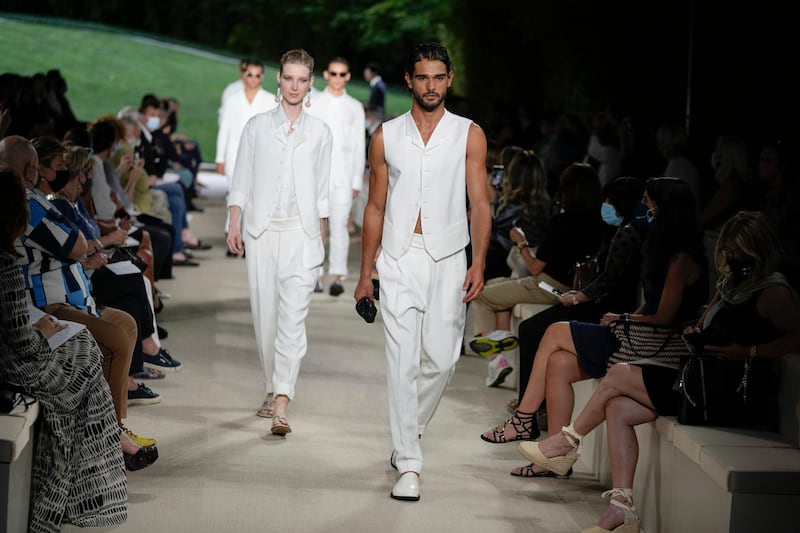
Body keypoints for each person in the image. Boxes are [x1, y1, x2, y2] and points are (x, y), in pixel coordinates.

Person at [521, 210, 800, 532]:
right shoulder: (731, 286)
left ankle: (567, 442)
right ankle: (621, 510)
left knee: (619, 375)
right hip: (703, 380)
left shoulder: (772, 291)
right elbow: (702, 322)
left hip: (732, 392)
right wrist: (696, 331)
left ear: (758, 250)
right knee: (618, 407)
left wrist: (747, 352)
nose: (731, 257)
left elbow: (796, 337)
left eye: (738, 251)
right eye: (727, 251)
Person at [482, 177, 706, 479]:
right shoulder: (664, 248)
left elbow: (665, 316)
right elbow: (651, 304)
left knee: (554, 332)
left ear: (666, 207)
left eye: (650, 203)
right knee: (559, 363)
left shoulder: (681, 257)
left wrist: (624, 320)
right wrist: (627, 317)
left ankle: (524, 418)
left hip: (652, 344)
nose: (646, 208)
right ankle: (555, 457)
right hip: (637, 334)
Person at [354, 42, 491, 502]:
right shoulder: (386, 136)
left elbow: (481, 204)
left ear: (449, 79)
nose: (430, 85)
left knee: (442, 359)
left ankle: (407, 434)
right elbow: (375, 206)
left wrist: (479, 260)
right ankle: (409, 462)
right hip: (397, 256)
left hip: (450, 255)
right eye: (422, 77)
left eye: (438, 77)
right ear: (408, 81)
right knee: (402, 360)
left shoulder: (469, 134)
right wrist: (364, 272)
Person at [0, 167, 130, 531]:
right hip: (14, 364)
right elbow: (21, 341)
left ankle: (75, 488)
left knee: (84, 353)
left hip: (11, 355)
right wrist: (42, 330)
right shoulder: (6, 263)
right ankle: (77, 491)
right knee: (86, 357)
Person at [226, 49, 332, 436]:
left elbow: (322, 192)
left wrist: (321, 241)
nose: (295, 86)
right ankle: (271, 386)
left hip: (302, 236)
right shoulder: (256, 127)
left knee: (293, 319)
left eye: (302, 80)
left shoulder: (321, 131)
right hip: (262, 233)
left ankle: (283, 400)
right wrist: (234, 222)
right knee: (265, 317)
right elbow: (240, 179)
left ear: (311, 83)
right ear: (279, 79)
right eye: (289, 78)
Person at [507, 177, 646, 416]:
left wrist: (577, 298)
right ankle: (532, 409)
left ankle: (529, 409)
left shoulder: (627, 233)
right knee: (537, 331)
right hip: (605, 304)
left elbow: (609, 279)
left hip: (604, 308)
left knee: (531, 330)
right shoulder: (623, 229)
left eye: (609, 200)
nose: (605, 205)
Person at [307, 56, 366, 295]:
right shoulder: (314, 101)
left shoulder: (354, 107)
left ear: (348, 76)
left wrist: (355, 180)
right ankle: (315, 274)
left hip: (343, 175)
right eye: (334, 73)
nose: (338, 78)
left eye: (342, 74)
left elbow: (359, 145)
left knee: (340, 226)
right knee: (315, 226)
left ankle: (337, 276)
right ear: (326, 74)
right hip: (316, 174)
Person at [215, 59, 277, 257]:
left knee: (254, 198)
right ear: (243, 75)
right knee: (235, 196)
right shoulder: (232, 100)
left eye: (257, 75)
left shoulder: (269, 100)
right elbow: (224, 129)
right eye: (249, 74)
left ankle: (249, 239)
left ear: (262, 77)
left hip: (260, 155)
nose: (253, 79)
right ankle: (232, 237)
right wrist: (220, 158)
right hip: (234, 154)